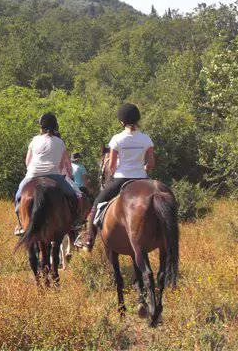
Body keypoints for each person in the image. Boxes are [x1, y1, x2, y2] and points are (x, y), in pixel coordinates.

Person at [74, 103, 154, 251]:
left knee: (97, 202)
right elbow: (150, 164)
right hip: (142, 179)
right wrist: (142, 168)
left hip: (121, 179)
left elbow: (111, 167)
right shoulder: (146, 139)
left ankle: (89, 238)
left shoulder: (117, 139)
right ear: (137, 119)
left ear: (122, 121)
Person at [14, 112, 83, 236]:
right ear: (56, 127)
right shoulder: (59, 142)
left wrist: (32, 171)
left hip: (33, 174)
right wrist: (68, 173)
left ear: (41, 127)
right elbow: (65, 164)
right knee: (73, 195)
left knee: (18, 195)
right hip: (54, 175)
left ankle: (20, 224)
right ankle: (74, 223)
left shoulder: (34, 140)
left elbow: (27, 161)